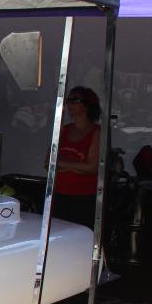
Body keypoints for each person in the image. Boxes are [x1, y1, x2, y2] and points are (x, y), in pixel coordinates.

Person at [52, 86, 101, 227]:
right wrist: (79, 167)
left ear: (87, 105)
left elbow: (92, 168)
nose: (70, 103)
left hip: (84, 198)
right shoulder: (63, 130)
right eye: (69, 100)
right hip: (60, 195)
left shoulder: (97, 132)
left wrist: (61, 164)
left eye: (75, 100)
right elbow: (48, 162)